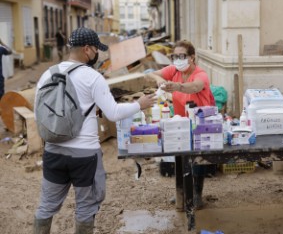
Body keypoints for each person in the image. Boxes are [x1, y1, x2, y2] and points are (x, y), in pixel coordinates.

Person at [33, 27, 157, 234]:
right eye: (96, 50)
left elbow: (39, 115)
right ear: (88, 49)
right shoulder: (92, 77)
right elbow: (114, 112)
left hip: (53, 152)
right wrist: (140, 104)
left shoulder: (48, 74)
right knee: (85, 209)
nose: (97, 54)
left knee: (46, 206)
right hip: (84, 155)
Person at [149, 40, 216, 209]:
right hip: (180, 121)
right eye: (175, 56)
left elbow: (194, 87)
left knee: (197, 159)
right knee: (180, 157)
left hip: (200, 123)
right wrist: (159, 81)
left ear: (192, 58)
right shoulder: (174, 70)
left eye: (182, 56)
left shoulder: (200, 74)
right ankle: (181, 191)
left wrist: (177, 86)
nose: (178, 59)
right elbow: (150, 73)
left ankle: (197, 194)